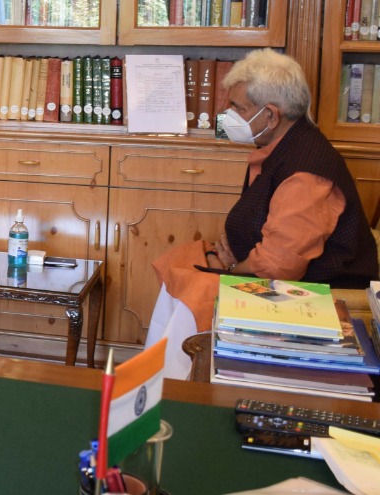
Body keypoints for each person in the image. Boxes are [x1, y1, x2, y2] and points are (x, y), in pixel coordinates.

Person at [145, 48, 378, 379]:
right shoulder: (282, 145)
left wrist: (229, 268)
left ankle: (181, 387)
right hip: (261, 273)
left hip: (317, 291)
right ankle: (159, 377)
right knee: (181, 261)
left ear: (270, 115)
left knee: (196, 288)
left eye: (238, 108)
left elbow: (278, 266)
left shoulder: (306, 172)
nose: (228, 115)